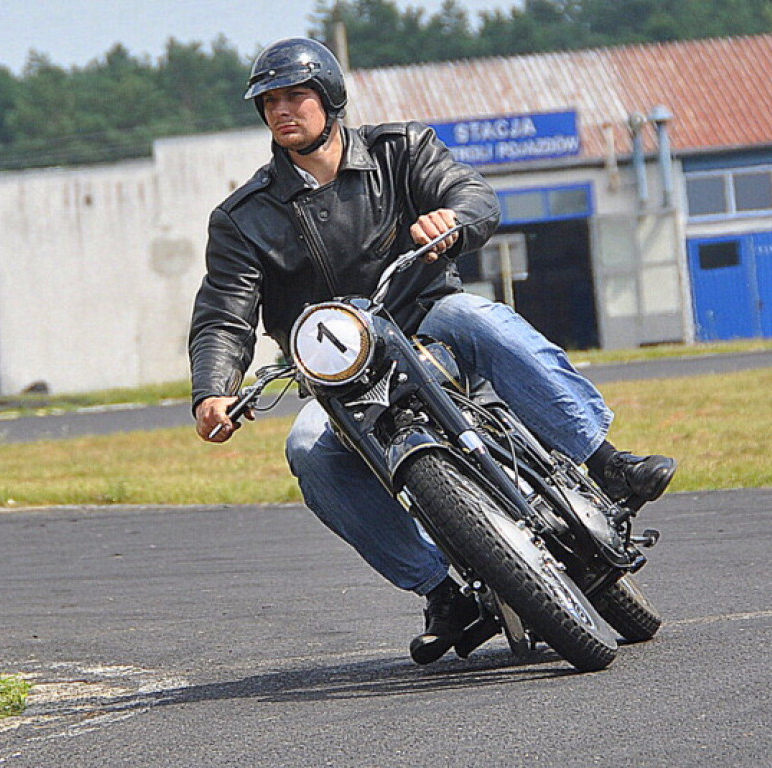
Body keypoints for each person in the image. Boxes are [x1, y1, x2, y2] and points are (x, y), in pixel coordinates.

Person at [189, 38, 676, 665]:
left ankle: (604, 460)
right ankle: (440, 589)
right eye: (271, 102)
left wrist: (452, 220)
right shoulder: (243, 217)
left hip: (427, 320)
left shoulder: (402, 150)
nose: (284, 111)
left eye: (296, 96)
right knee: (307, 448)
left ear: (330, 97)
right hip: (342, 377)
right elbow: (224, 311)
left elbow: (474, 195)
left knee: (483, 318)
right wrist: (213, 388)